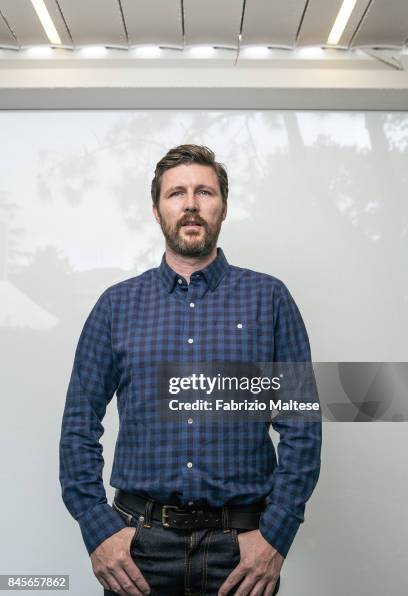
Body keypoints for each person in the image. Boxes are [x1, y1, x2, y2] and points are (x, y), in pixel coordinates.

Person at [59, 144, 322, 596]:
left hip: (240, 552)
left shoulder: (270, 299)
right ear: (157, 210)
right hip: (138, 550)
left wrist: (276, 536)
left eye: (205, 192)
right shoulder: (116, 306)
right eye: (176, 193)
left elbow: (302, 425)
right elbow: (79, 424)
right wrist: (97, 527)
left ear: (223, 206)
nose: (191, 204)